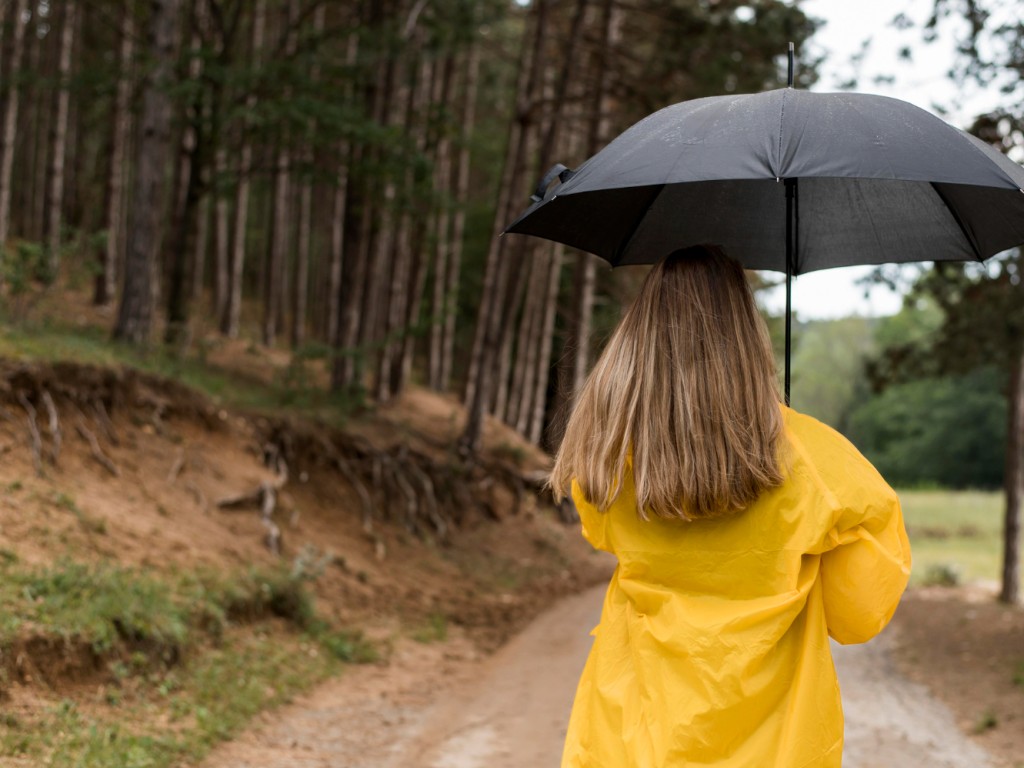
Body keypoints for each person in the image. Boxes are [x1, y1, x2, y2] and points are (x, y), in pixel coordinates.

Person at [549, 245, 911, 768]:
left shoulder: (606, 455)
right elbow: (858, 617)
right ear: (745, 335)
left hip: (630, 732)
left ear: (641, 337)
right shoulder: (814, 459)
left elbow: (601, 532)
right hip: (778, 745)